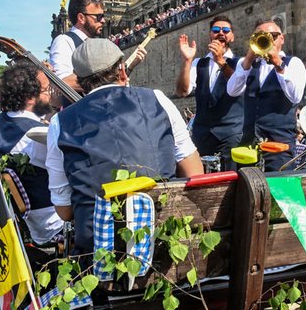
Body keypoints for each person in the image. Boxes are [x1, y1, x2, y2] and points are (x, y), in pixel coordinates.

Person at [46, 39, 202, 254]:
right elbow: (195, 172)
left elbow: (64, 212)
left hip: (100, 255)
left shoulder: (60, 122)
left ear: (80, 80)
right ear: (121, 69)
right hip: (165, 246)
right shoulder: (158, 99)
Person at [0, 61, 64, 245]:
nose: (49, 95)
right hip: (51, 223)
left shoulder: (1, 121)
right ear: (30, 98)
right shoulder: (36, 136)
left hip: (28, 220)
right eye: (46, 91)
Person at [227, 19, 306, 171]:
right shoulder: (247, 65)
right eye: (261, 36)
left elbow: (295, 96)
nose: (268, 40)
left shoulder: (294, 63)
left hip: (279, 147)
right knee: (247, 190)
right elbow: (232, 91)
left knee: (279, 192)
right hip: (249, 145)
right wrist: (248, 61)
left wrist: (278, 64)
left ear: (281, 38)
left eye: (273, 36)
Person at [176, 16, 243, 171]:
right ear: (210, 35)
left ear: (231, 37)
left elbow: (238, 85)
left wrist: (220, 60)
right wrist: (186, 61)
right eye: (216, 30)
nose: (221, 33)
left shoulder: (240, 63)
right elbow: (182, 91)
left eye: (225, 30)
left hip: (230, 135)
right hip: (202, 134)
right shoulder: (198, 63)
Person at [49, 0, 146, 93]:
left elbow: (109, 82)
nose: (103, 21)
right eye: (99, 17)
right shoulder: (64, 41)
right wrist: (109, 79)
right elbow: (62, 82)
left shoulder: (97, 44)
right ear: (81, 18)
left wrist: (128, 68)